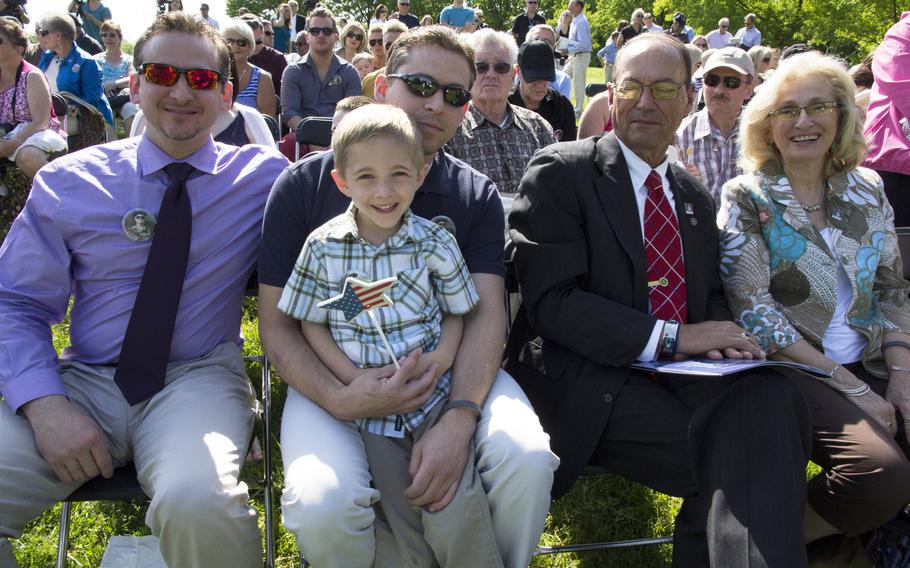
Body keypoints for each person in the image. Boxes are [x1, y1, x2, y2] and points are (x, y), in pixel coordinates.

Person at [505, 32, 826, 568]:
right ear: (610, 95)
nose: (645, 101)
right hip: (591, 380)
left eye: (663, 87)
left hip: (681, 375)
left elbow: (710, 298)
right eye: (630, 86)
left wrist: (724, 340)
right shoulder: (563, 171)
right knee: (746, 457)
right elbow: (553, 303)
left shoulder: (692, 194)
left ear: (688, 99)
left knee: (772, 397)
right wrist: (676, 337)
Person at [258, 25, 557, 568]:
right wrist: (341, 394)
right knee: (324, 502)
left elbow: (484, 313)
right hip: (335, 373)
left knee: (527, 460)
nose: (435, 104)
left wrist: (460, 415)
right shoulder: (305, 187)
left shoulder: (472, 196)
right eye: (419, 84)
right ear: (380, 87)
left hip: (446, 369)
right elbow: (282, 326)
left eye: (454, 94)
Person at [0, 11, 289, 568]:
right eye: (162, 73)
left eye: (201, 79)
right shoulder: (69, 182)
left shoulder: (266, 180)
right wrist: (43, 404)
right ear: (135, 85)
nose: (182, 90)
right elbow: (14, 301)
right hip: (83, 381)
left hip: (198, 378)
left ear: (227, 95)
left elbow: (369, 177)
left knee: (198, 501)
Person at [279, 103, 509, 566]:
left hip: (434, 396)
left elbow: (457, 312)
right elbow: (311, 321)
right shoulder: (323, 247)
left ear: (420, 175)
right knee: (404, 504)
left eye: (398, 175)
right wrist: (352, 379)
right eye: (366, 177)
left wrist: (440, 362)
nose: (384, 192)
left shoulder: (434, 241)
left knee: (452, 501)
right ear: (342, 181)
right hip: (370, 410)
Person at [717, 50, 910, 557]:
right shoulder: (748, 197)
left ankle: (872, 537)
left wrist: (902, 375)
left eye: (818, 106)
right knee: (879, 474)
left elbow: (891, 289)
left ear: (842, 115)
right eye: (787, 110)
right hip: (794, 368)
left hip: (872, 357)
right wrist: (852, 388)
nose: (804, 122)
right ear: (767, 124)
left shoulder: (868, 189)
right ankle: (760, 545)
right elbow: (754, 310)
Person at [445, 29, 555, 194]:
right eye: (481, 67)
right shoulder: (450, 130)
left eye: (501, 67)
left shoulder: (538, 127)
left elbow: (556, 187)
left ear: (513, 75)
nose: (491, 74)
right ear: (468, 75)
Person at [676, 47, 754, 204]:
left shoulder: (761, 132)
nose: (719, 89)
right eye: (712, 80)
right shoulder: (680, 135)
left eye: (731, 82)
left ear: (748, 89)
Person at [0, 17, 66, 179]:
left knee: (27, 156)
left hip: (39, 134)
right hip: (7, 134)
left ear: (19, 49)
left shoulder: (32, 76)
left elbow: (40, 121)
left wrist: (13, 143)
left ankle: (68, 198)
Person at [280, 7, 360, 132]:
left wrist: (335, 140)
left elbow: (353, 114)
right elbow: (290, 114)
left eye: (327, 31)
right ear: (307, 37)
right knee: (287, 145)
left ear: (336, 37)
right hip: (302, 137)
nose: (321, 35)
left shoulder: (350, 72)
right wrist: (312, 137)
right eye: (315, 31)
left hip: (341, 136)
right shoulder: (292, 71)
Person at [37, 11, 113, 127]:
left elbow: (92, 97)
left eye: (44, 33)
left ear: (58, 36)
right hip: (52, 120)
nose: (41, 36)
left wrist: (69, 107)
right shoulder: (47, 55)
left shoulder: (87, 61)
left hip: (83, 125)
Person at [509, 40, 576, 142]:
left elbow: (570, 153)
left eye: (545, 77)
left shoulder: (562, 107)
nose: (540, 84)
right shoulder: (505, 105)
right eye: (533, 78)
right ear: (518, 71)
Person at [223, 19, 277, 119]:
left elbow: (268, 125)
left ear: (250, 45)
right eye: (229, 41)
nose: (234, 46)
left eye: (241, 42)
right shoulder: (213, 75)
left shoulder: (262, 78)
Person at [94, 20, 139, 136]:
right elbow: (92, 80)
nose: (108, 38)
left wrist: (113, 84)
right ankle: (112, 150)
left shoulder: (129, 59)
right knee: (104, 115)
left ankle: (133, 143)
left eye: (112, 35)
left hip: (124, 97)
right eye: (104, 35)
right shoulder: (95, 59)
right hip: (105, 98)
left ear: (119, 37)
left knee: (131, 109)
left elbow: (133, 77)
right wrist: (103, 89)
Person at [360, 20, 407, 98]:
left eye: (399, 44)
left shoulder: (419, 78)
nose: (393, 49)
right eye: (389, 46)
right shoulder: (369, 81)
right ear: (384, 47)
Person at [525, 24, 571, 99]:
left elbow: (562, 109)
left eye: (546, 41)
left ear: (553, 48)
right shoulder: (512, 74)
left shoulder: (562, 80)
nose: (540, 44)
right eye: (536, 39)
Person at [245, 15, 286, 97]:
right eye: (249, 42)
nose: (254, 46)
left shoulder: (277, 58)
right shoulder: (233, 58)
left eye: (258, 42)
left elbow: (284, 94)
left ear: (262, 35)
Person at [562, 0, 590, 117]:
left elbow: (583, 44)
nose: (568, 6)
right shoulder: (574, 21)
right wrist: (569, 54)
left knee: (578, 84)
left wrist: (568, 50)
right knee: (563, 76)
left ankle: (578, 111)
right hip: (574, 56)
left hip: (581, 55)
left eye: (571, 4)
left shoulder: (581, 22)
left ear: (579, 6)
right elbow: (573, 42)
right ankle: (562, 104)